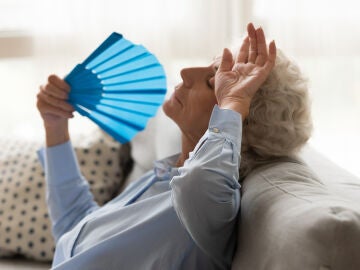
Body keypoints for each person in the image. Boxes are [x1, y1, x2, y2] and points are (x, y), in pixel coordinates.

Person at [36, 22, 311, 269]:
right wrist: (55, 125)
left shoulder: (207, 209)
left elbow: (201, 181)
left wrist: (235, 102)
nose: (185, 72)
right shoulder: (165, 175)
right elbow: (74, 233)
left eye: (211, 81)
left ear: (238, 122)